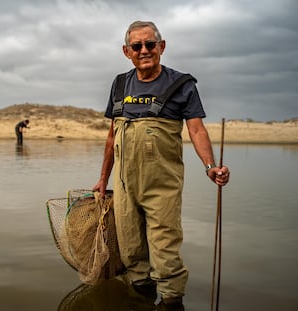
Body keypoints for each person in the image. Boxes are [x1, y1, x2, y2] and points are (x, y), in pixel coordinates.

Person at [93, 21, 230, 310]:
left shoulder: (181, 84)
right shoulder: (119, 84)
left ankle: (171, 300)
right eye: (137, 46)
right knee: (131, 251)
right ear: (126, 51)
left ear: (162, 46)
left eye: (150, 45)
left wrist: (210, 167)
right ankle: (142, 297)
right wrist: (103, 179)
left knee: (165, 250)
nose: (144, 50)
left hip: (162, 186)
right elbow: (110, 137)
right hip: (124, 184)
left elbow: (197, 130)